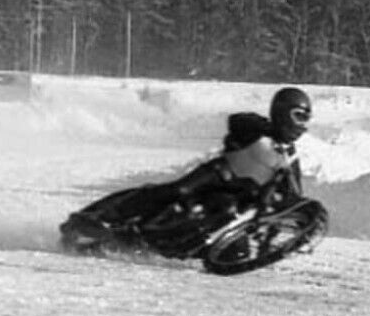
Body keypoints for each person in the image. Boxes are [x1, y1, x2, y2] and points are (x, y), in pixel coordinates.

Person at [97, 86, 312, 224]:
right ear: (282, 112)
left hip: (242, 195)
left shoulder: (289, 155)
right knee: (178, 190)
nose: (302, 125)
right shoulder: (258, 127)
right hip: (219, 175)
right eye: (299, 116)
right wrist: (269, 131)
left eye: (306, 119)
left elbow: (294, 191)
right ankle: (109, 216)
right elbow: (236, 121)